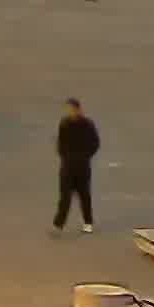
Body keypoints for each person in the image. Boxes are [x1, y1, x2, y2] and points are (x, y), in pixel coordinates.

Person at [53, 98, 100, 233]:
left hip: (83, 166)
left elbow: (95, 142)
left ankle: (88, 222)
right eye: (68, 110)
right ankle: (59, 224)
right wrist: (64, 157)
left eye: (73, 109)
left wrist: (86, 156)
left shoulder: (88, 124)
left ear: (79, 109)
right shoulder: (64, 124)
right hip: (67, 166)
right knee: (64, 196)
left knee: (84, 195)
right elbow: (60, 142)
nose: (71, 112)